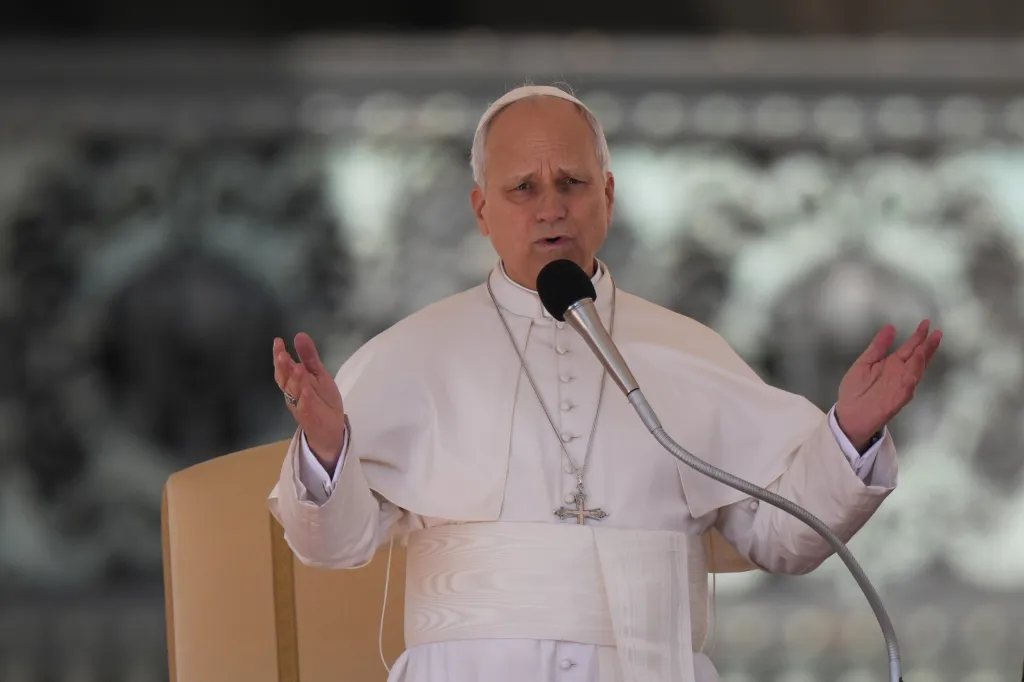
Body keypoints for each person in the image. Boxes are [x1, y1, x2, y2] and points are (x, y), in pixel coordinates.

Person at [268, 84, 942, 682]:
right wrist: (328, 452)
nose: (550, 208)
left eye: (572, 183)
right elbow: (334, 545)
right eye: (523, 188)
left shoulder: (687, 351)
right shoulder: (413, 353)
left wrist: (849, 435)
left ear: (608, 197)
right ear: (481, 210)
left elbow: (786, 541)